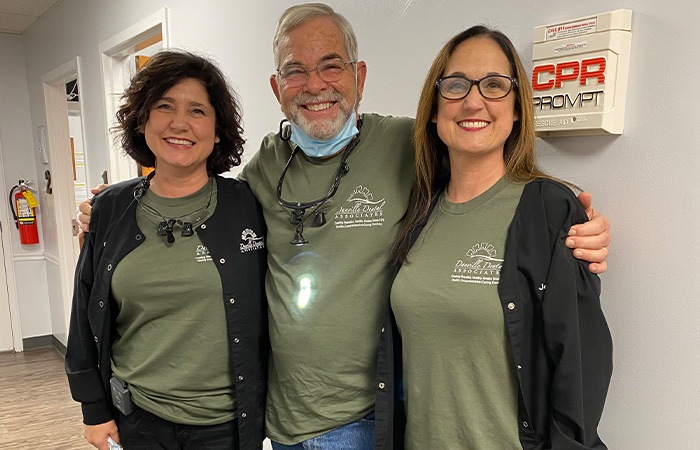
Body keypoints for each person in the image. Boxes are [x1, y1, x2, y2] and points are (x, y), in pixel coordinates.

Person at [78, 4, 611, 449]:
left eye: (332, 66)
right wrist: (115, 209)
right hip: (277, 418)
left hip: (365, 419)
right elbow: (194, 192)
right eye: (295, 70)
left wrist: (577, 223)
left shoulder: (410, 147)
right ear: (276, 86)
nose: (315, 85)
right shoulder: (260, 170)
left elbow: (484, 169)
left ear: (359, 77)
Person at [375, 26, 613, 449]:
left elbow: (580, 368)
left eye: (494, 85)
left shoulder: (547, 210)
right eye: (455, 85)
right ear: (433, 109)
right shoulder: (418, 212)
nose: (473, 100)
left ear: (518, 108)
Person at [65, 50, 268, 450]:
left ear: (217, 129)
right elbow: (85, 311)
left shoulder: (249, 205)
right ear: (142, 120)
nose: (180, 123)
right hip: (137, 420)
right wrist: (94, 409)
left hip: (225, 427)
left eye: (197, 110)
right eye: (164, 106)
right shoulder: (110, 208)